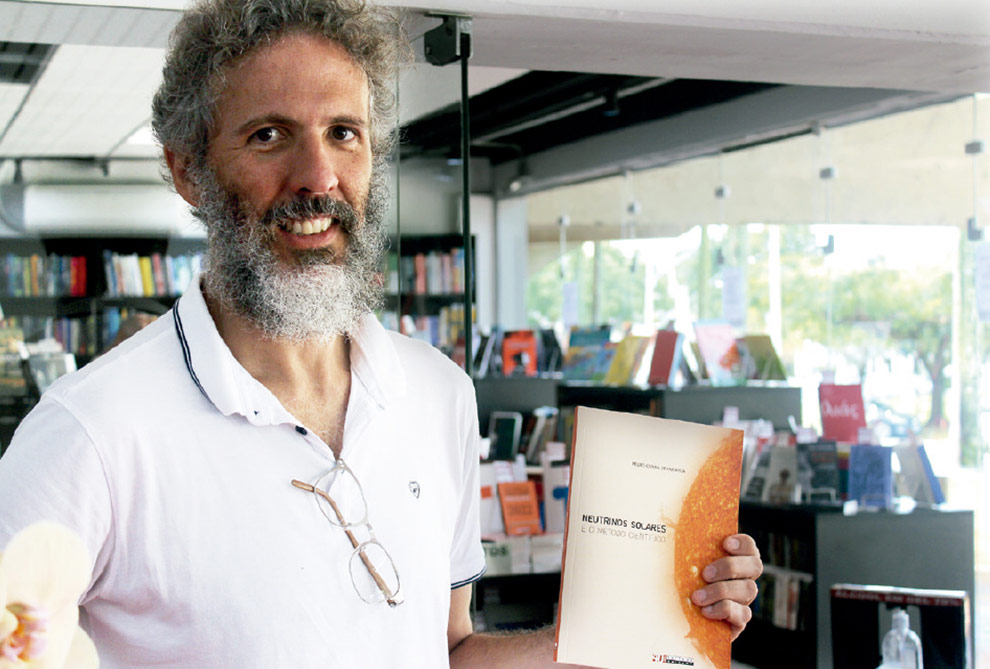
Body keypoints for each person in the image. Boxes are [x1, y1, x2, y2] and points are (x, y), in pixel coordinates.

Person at [0, 0, 762, 666]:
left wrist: (652, 619)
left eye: (344, 133)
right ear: (188, 170)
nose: (318, 176)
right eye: (269, 135)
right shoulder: (88, 434)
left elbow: (449, 648)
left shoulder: (438, 393)